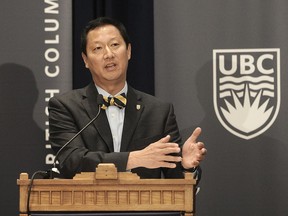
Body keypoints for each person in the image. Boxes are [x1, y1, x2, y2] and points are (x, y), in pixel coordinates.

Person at [48, 17, 207, 180]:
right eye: (97, 48)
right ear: (85, 60)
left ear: (129, 51)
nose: (108, 54)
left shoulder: (159, 111)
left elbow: (175, 178)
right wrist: (135, 159)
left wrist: (187, 167)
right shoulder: (65, 106)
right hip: (86, 204)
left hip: (144, 205)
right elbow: (70, 161)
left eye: (115, 45)